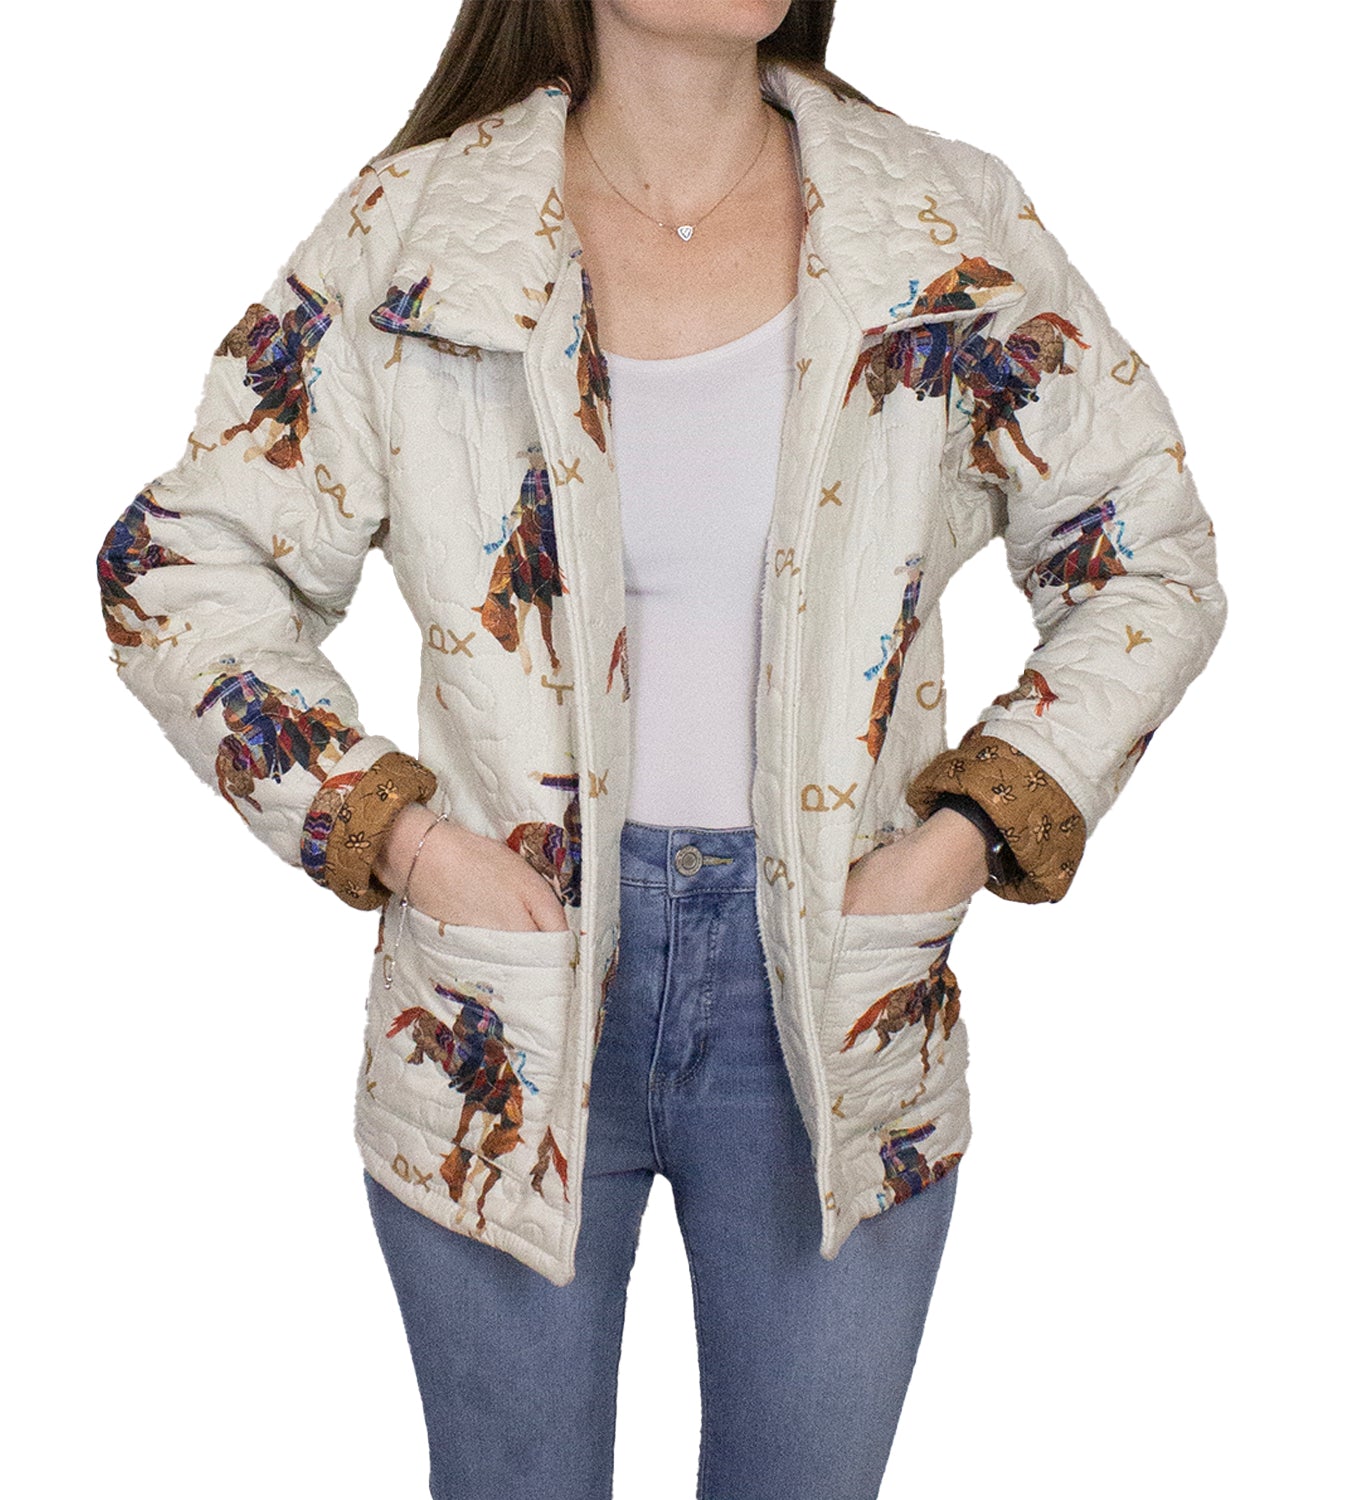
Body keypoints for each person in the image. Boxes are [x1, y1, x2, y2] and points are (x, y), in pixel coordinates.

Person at [94, 2, 1227, 1496]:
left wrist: (958, 839)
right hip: (507, 993)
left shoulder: (939, 221)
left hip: (836, 986)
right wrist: (407, 841)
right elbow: (180, 569)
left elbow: (1148, 561)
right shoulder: (423, 230)